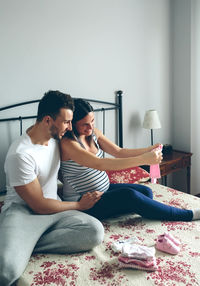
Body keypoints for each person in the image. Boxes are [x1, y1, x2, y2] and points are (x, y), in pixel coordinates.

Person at [0, 91, 104, 286]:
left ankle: (28, 244)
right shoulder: (21, 154)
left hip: (54, 207)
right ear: (48, 120)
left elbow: (90, 159)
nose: (70, 127)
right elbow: (39, 205)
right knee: (6, 273)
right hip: (24, 212)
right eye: (66, 122)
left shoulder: (57, 140)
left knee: (95, 231)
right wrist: (78, 205)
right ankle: (17, 243)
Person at [59, 98, 200, 221]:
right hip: (85, 202)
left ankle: (129, 205)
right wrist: (143, 159)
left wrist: (148, 149)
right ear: (72, 123)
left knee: (146, 193)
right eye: (85, 124)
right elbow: (101, 164)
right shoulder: (68, 144)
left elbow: (119, 152)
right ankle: (187, 215)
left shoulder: (93, 133)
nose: (90, 127)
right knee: (130, 195)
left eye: (93, 121)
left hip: (103, 191)